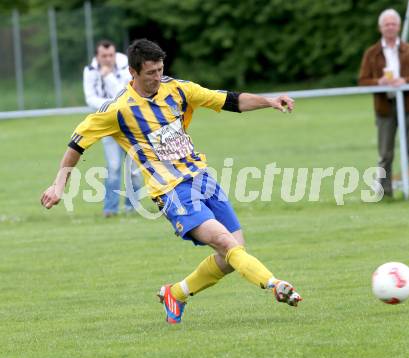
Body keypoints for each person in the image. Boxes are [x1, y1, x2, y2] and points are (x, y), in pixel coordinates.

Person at [41, 38, 302, 324]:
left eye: (160, 70)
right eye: (150, 73)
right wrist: (58, 184)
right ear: (133, 72)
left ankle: (176, 293)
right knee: (227, 245)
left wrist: (269, 101)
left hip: (201, 177)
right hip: (171, 190)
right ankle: (275, 285)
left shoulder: (178, 89)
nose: (157, 78)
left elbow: (228, 100)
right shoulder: (118, 109)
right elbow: (77, 144)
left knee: (232, 255)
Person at [359, 8, 409, 198]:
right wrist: (378, 82)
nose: (390, 27)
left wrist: (405, 81)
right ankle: (384, 194)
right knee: (385, 155)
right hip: (384, 108)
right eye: (386, 24)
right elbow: (362, 80)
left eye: (393, 24)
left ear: (398, 27)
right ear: (380, 27)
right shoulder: (372, 53)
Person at [83, 39, 142, 217]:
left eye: (111, 55)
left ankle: (132, 207)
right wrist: (111, 106)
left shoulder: (127, 66)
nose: (108, 59)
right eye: (104, 56)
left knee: (134, 169)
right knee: (114, 167)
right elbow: (90, 98)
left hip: (130, 123)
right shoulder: (90, 71)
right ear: (97, 56)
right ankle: (110, 209)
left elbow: (123, 93)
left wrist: (108, 76)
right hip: (108, 124)